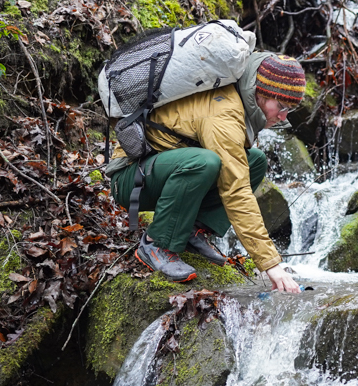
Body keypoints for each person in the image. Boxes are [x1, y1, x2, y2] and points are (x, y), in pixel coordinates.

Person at [105, 52, 305, 291]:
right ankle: (156, 243)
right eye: (281, 106)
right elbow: (236, 191)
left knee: (255, 160)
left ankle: (191, 230)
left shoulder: (238, 97)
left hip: (161, 168)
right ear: (260, 92)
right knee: (205, 162)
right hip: (130, 178)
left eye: (289, 110)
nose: (283, 116)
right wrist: (270, 263)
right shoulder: (224, 112)